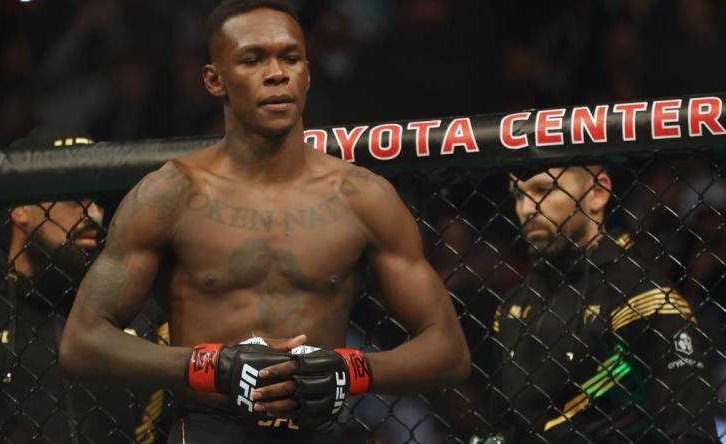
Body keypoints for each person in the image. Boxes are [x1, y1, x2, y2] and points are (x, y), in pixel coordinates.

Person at [59, 1, 470, 442]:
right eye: (253, 60)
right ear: (215, 80)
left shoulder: (363, 197)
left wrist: (350, 369)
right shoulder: (171, 193)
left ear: (307, 74)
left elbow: (449, 351)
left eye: (290, 58)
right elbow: (83, 342)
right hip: (207, 430)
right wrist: (209, 366)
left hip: (319, 430)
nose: (277, 74)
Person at [478, 166, 716, 443]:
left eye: (544, 190)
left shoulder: (644, 298)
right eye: (518, 195)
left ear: (597, 193)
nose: (526, 208)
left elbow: (692, 433)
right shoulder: (511, 306)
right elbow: (502, 427)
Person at [0, 126, 170, 443]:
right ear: (21, 207)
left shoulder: (134, 307)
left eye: (98, 202)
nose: (94, 215)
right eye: (75, 199)